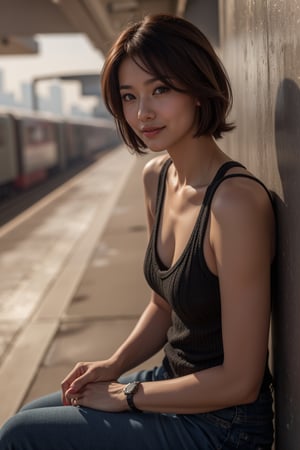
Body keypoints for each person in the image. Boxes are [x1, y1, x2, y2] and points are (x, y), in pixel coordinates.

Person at [0, 14, 275, 450]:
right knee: (31, 414)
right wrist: (112, 365)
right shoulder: (157, 179)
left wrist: (128, 395)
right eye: (129, 96)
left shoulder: (235, 204)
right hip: (171, 382)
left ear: (199, 89)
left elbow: (241, 382)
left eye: (160, 90)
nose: (142, 112)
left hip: (223, 425)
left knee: (20, 436)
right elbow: (162, 306)